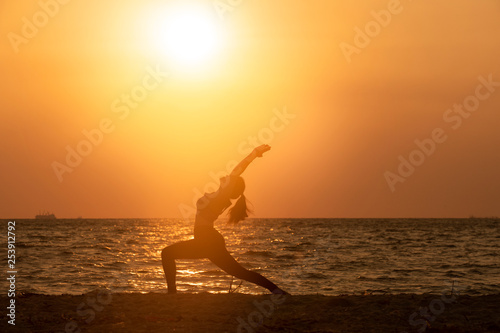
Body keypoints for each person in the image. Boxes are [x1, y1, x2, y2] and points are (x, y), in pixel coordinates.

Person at [161, 144, 288, 295]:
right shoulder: (219, 195)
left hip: (207, 239)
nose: (227, 177)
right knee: (239, 272)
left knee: (167, 254)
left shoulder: (222, 196)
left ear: (231, 186)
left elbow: (237, 171)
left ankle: (171, 294)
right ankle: (277, 291)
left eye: (230, 179)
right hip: (207, 239)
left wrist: (254, 154)